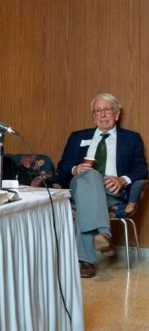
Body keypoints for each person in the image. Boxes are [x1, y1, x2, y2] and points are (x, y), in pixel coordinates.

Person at [55, 93, 147, 278]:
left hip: (112, 190)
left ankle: (86, 261)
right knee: (91, 176)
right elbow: (62, 166)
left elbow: (141, 169)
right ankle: (104, 234)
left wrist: (123, 180)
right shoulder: (77, 137)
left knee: (85, 202)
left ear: (117, 114)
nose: (102, 114)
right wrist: (75, 169)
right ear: (93, 116)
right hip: (80, 184)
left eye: (107, 110)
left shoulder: (131, 138)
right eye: (97, 111)